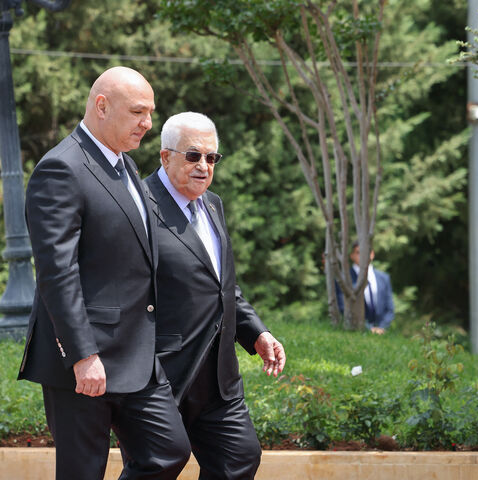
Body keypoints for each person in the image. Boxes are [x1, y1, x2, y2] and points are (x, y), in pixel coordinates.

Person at [17, 67, 190, 480]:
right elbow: (57, 272)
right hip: (84, 359)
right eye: (138, 112)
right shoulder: (60, 168)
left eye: (150, 113)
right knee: (83, 471)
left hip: (136, 356)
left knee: (168, 451)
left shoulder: (125, 165)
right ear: (101, 106)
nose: (148, 123)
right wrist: (83, 355)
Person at [144, 112, 286, 479]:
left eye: (211, 158)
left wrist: (257, 333)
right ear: (165, 156)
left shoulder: (213, 204)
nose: (204, 166)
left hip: (219, 378)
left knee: (239, 458)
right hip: (161, 373)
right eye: (193, 155)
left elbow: (223, 287)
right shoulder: (138, 206)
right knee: (158, 466)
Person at [336, 241, 395, 334]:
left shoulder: (384, 278)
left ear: (372, 254)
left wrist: (381, 328)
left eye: (365, 252)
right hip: (356, 332)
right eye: (358, 252)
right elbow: (343, 307)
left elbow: (389, 308)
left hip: (382, 333)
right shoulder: (344, 279)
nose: (362, 256)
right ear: (352, 256)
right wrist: (368, 328)